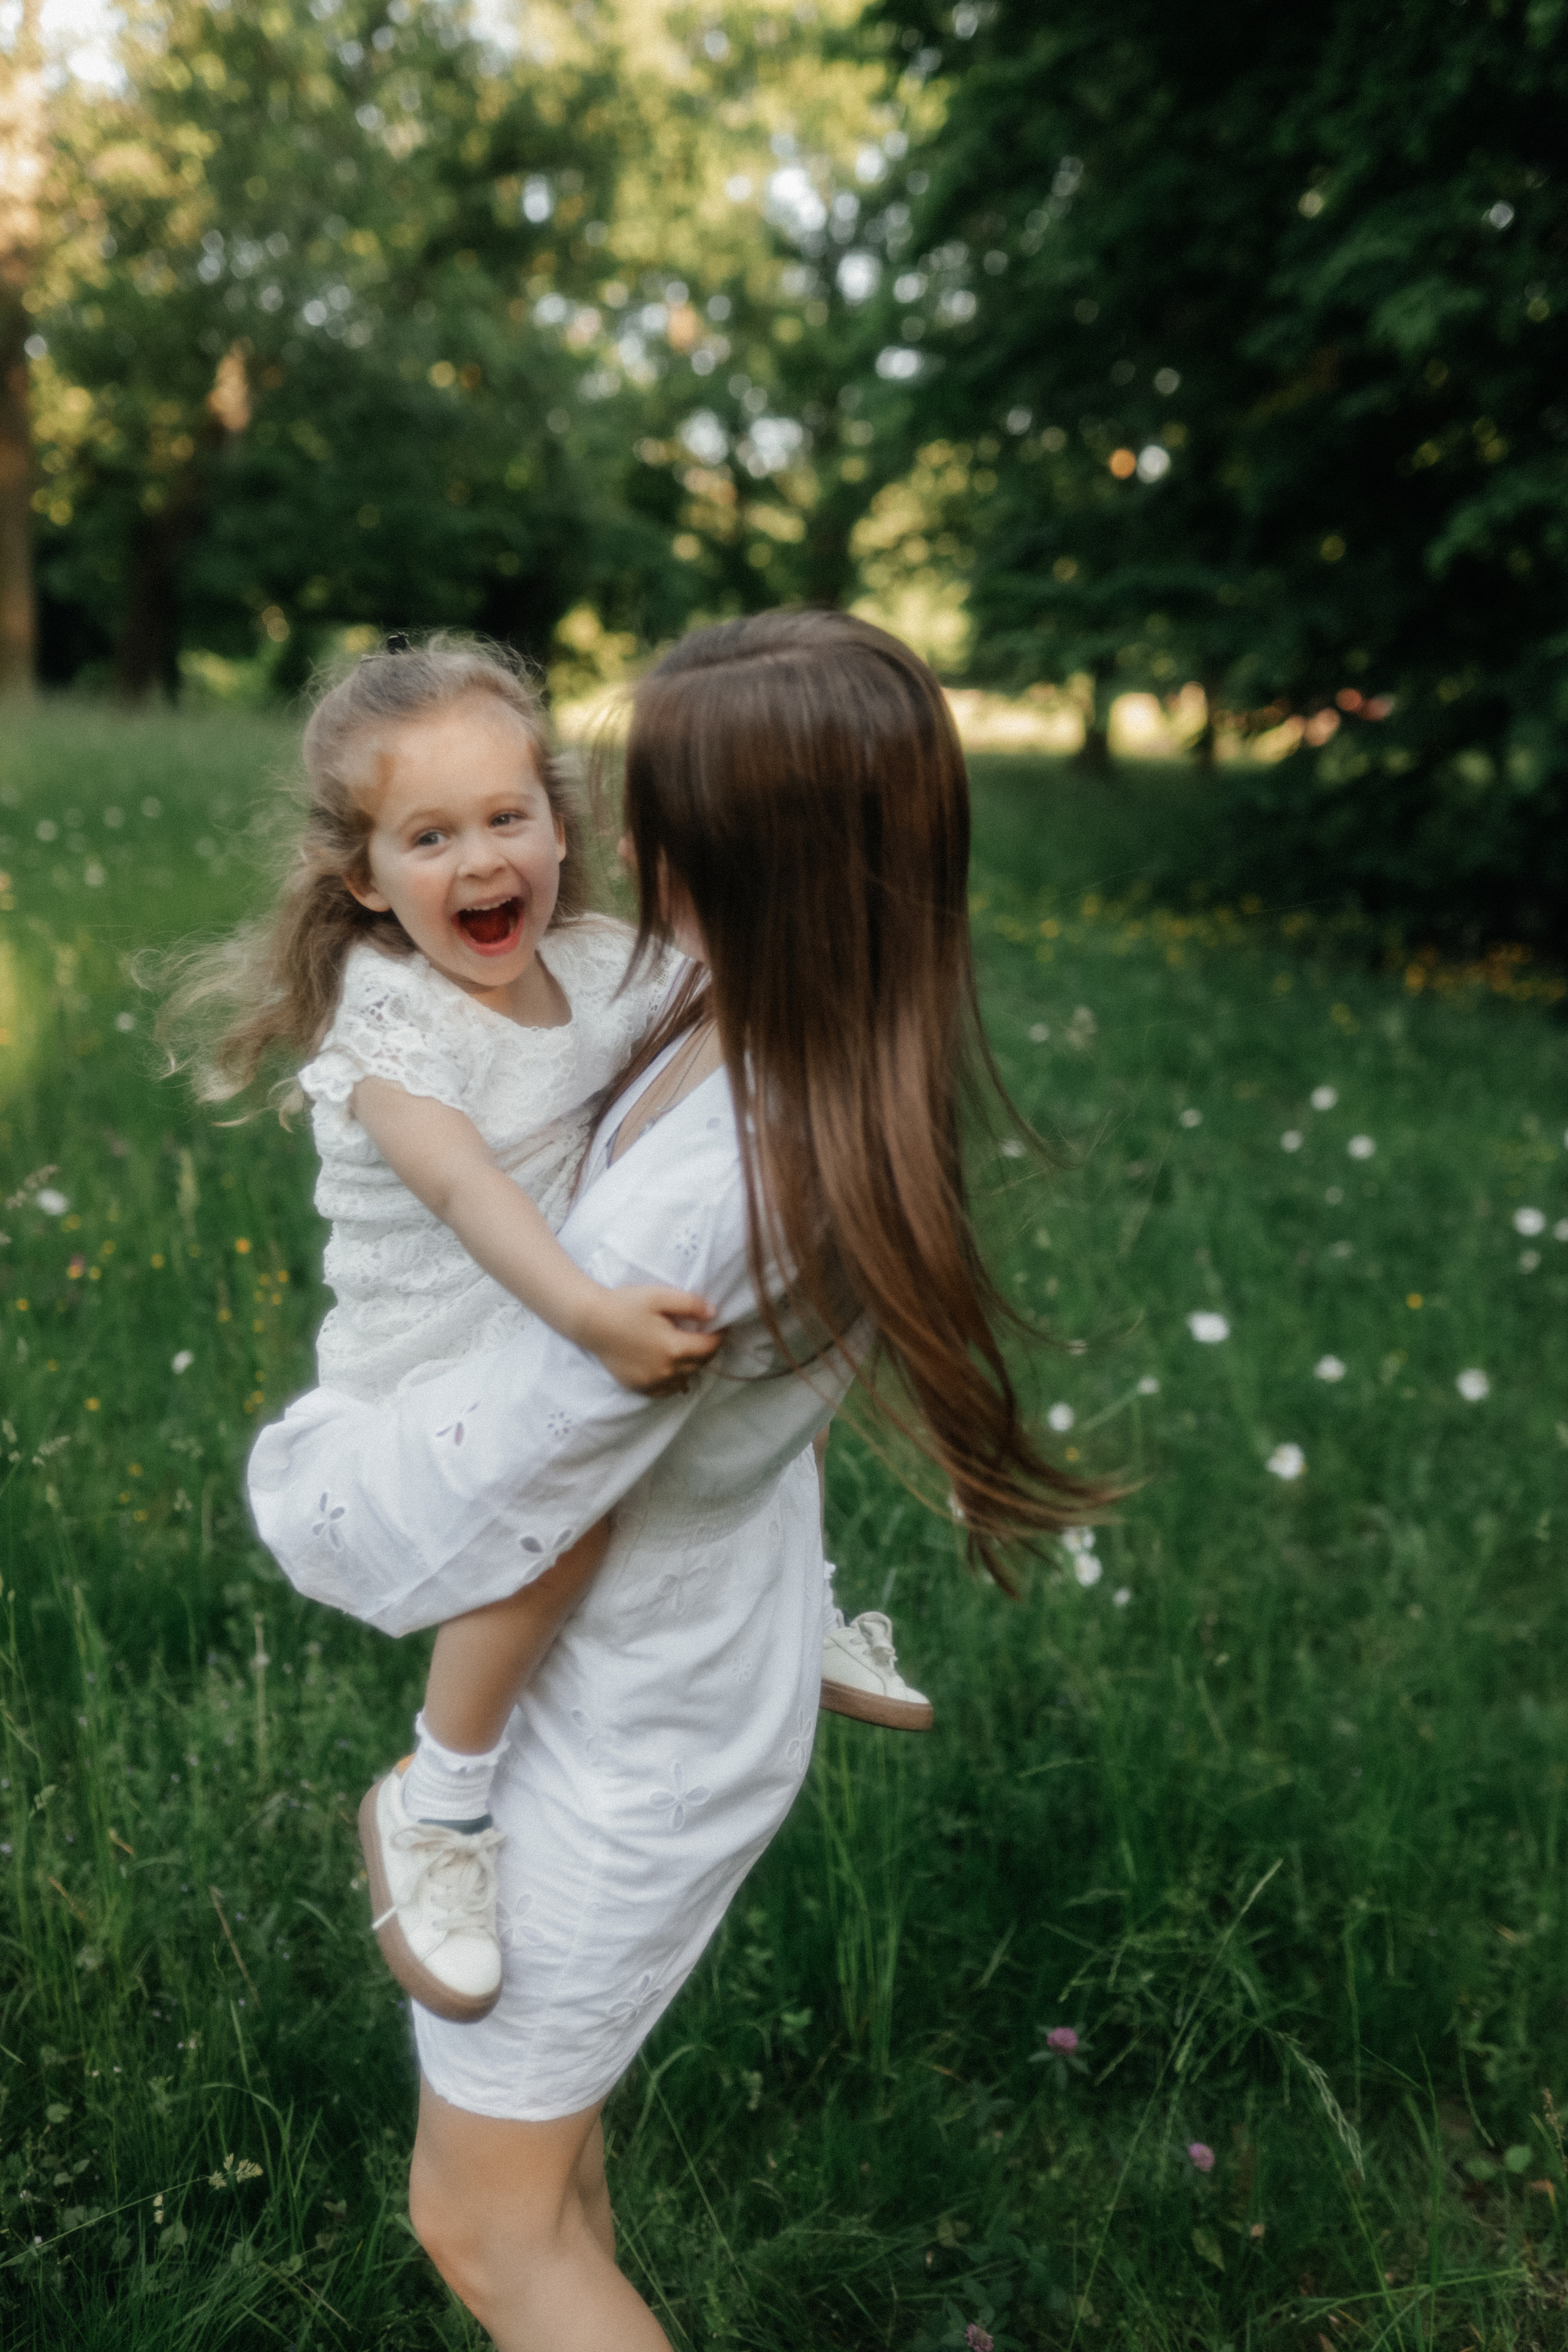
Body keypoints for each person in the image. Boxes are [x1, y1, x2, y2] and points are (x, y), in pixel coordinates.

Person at [246, 609, 1106, 2352]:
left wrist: (323, 1507)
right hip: (675, 1664)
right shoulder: (817, 1032)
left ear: (702, 847)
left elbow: (518, 1503)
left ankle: (432, 1795)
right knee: (542, 2183)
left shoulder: (698, 1181)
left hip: (621, 1736)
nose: (594, 842)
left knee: (484, 2232)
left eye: (612, 807)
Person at [166, 633, 929, 2023]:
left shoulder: (603, 961)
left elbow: (737, 993)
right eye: (429, 836)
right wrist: (584, 1308)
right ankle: (438, 1801)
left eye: (508, 819)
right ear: (363, 878)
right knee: (567, 1491)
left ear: (562, 833)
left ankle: (807, 1612)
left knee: (791, 1360)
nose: (480, 865)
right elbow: (461, 1190)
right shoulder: (388, 1017)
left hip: (545, 1326)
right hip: (434, 1372)